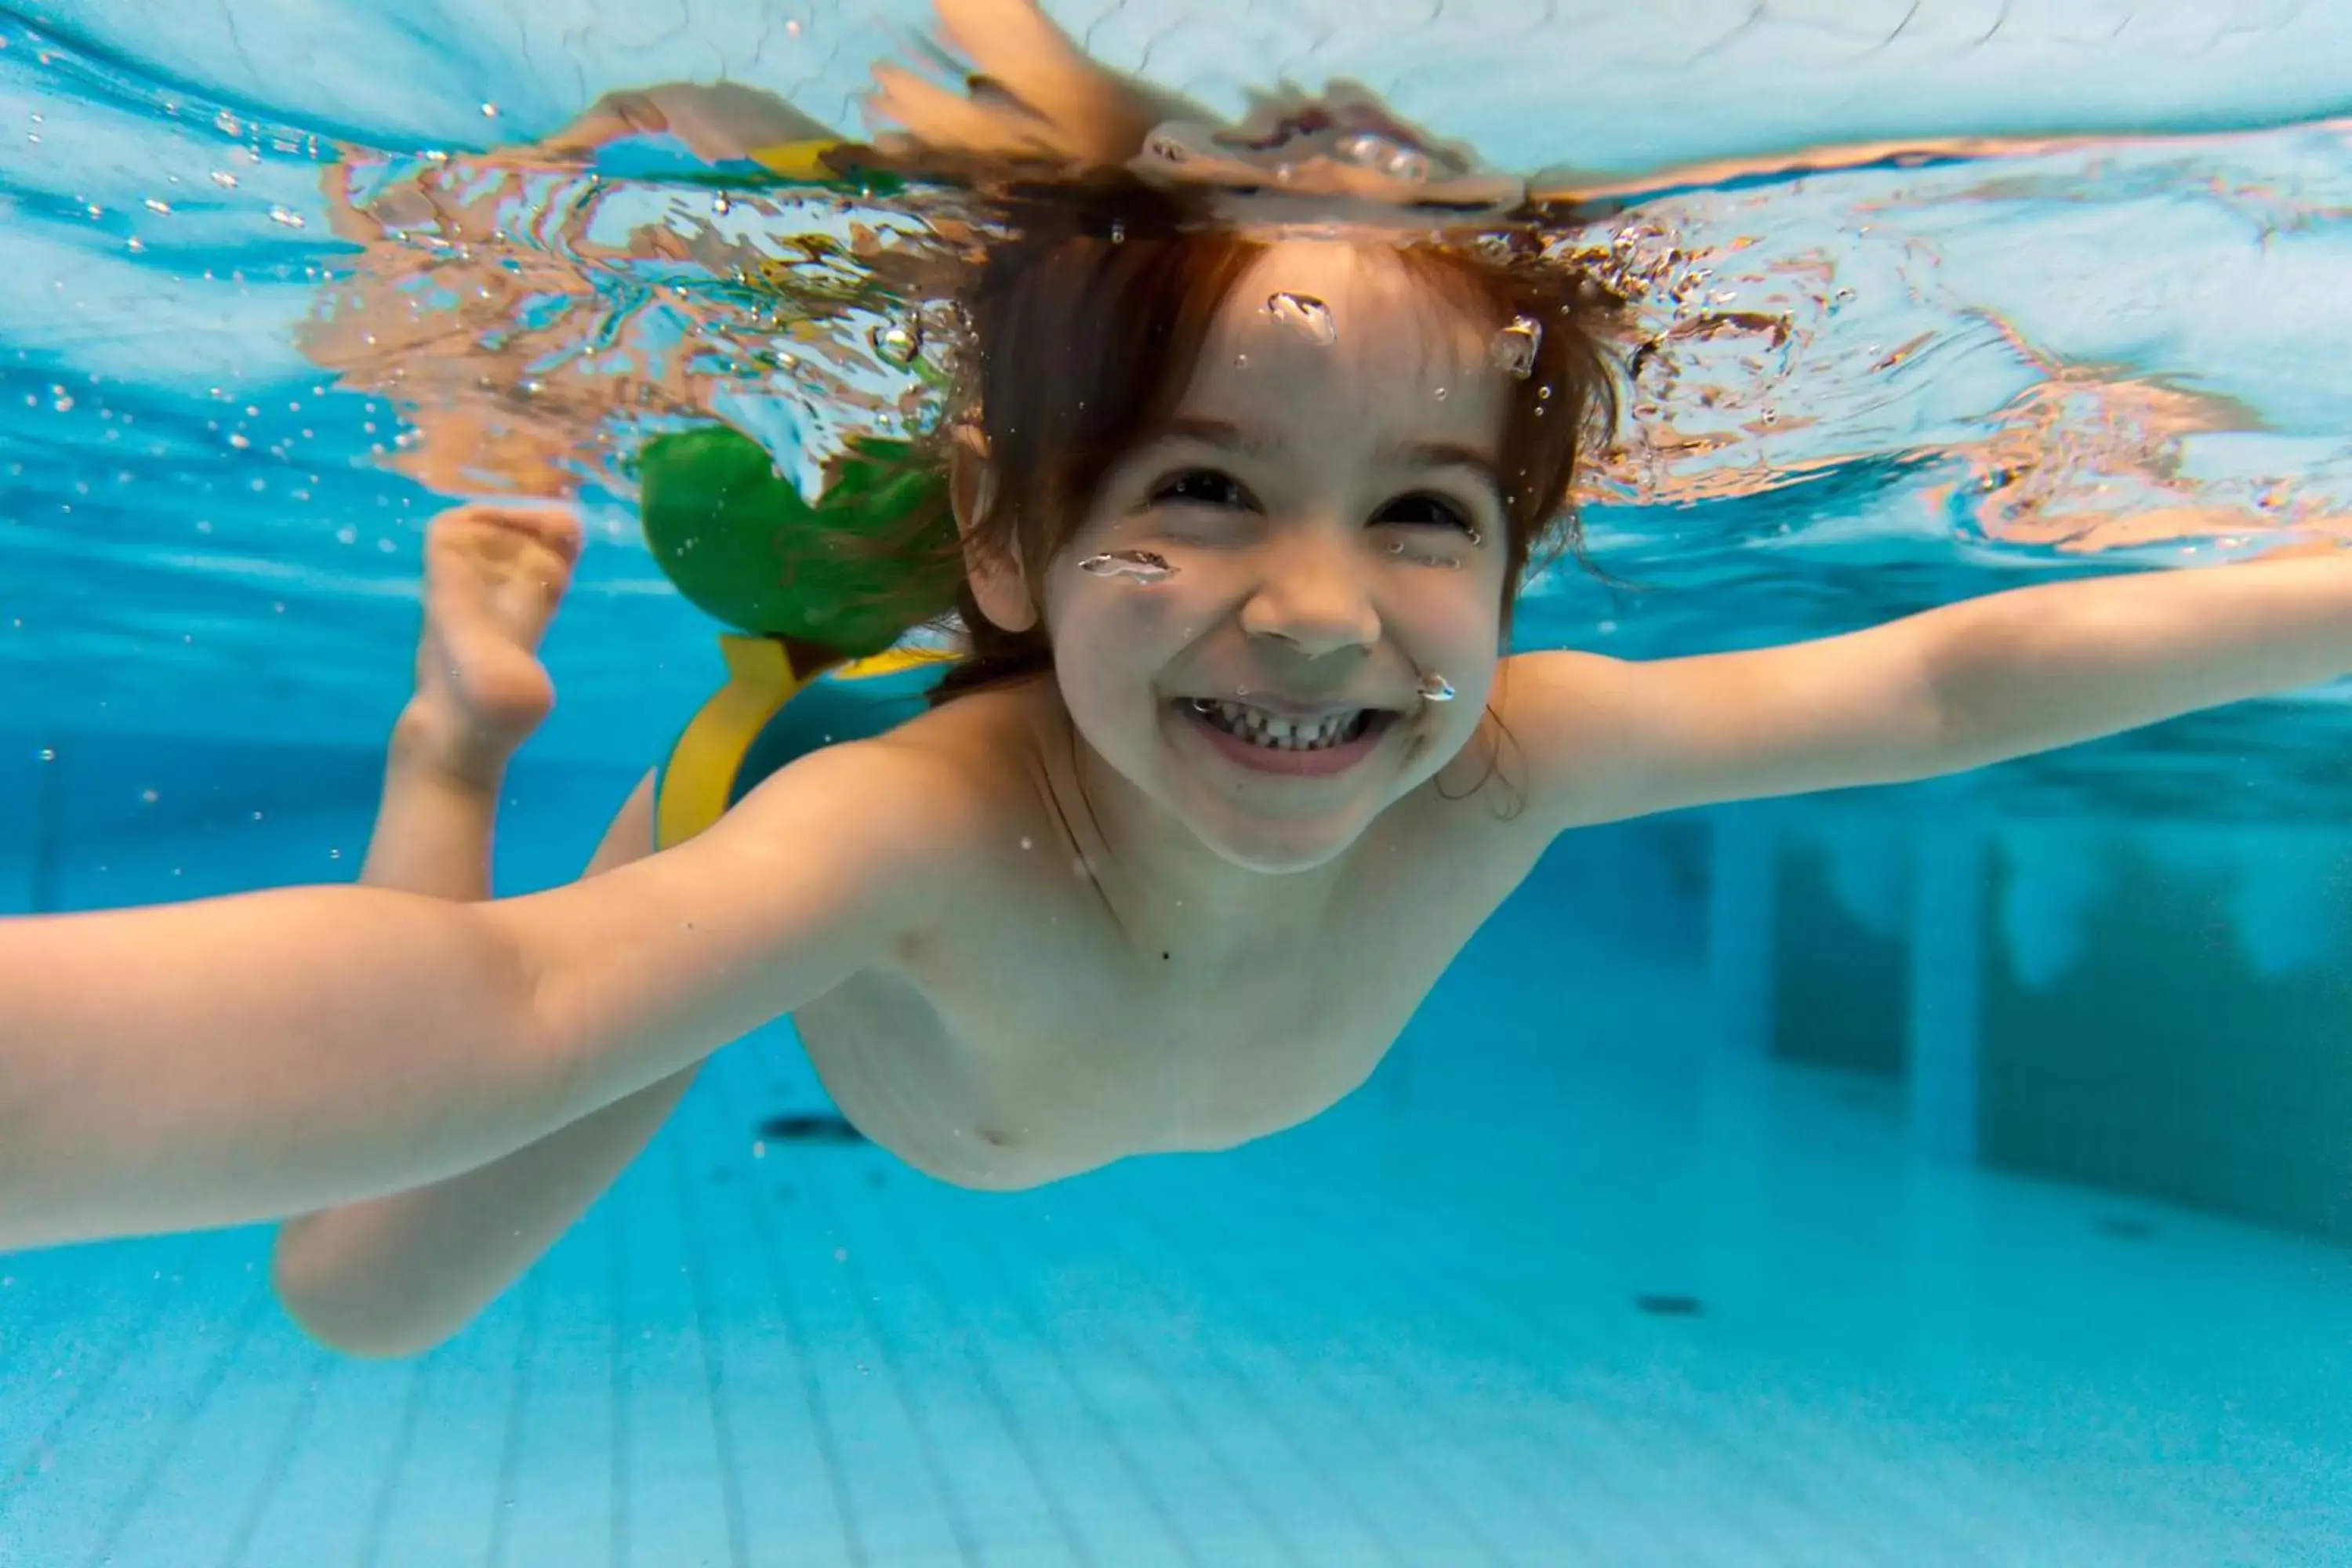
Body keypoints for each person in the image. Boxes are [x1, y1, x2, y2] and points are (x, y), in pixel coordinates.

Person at [7, 2, 2352, 1363]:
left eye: (1425, 514)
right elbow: (498, 1022)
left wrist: (2314, 598)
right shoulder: (899, 824)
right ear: (1015, 543)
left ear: (1525, 565)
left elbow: (1939, 690)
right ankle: (461, 739)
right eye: (1209, 492)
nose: (1324, 612)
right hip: (798, 775)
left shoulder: (1509, 762)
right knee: (364, 1293)